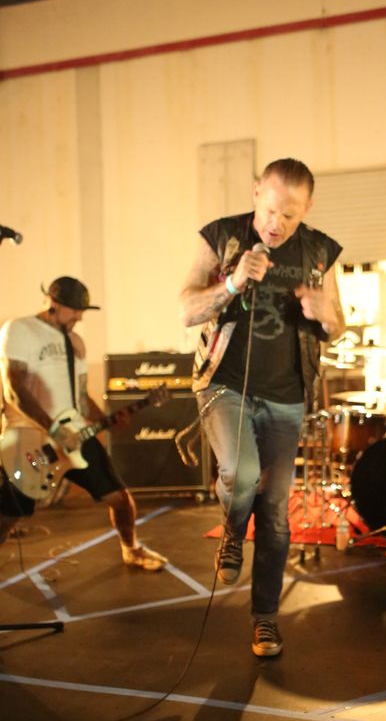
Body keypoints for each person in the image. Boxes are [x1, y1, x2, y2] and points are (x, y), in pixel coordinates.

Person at [179, 158, 345, 657]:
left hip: (288, 394)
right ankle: (233, 530)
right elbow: (187, 309)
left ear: (307, 208)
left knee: (274, 512)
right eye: (270, 210)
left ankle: (265, 618)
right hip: (224, 383)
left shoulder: (320, 250)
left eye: (289, 215)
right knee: (240, 472)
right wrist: (232, 283)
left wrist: (326, 316)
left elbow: (338, 326)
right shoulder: (222, 237)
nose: (276, 223)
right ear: (256, 193)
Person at [0, 276, 167, 572]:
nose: (79, 316)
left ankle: (131, 549)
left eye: (82, 310)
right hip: (30, 439)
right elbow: (15, 390)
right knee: (9, 513)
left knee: (121, 498)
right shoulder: (20, 329)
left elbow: (80, 396)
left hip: (74, 435)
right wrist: (54, 429)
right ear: (53, 303)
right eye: (75, 310)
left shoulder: (75, 342)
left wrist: (104, 418)